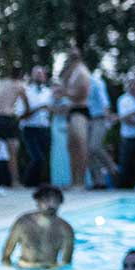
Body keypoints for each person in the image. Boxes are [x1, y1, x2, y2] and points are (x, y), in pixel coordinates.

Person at [1, 184, 75, 269]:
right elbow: (6, 255)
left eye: (55, 201)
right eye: (46, 200)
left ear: (60, 203)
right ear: (37, 202)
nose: (51, 204)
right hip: (24, 268)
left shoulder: (65, 229)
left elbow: (66, 261)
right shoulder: (23, 222)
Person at [58, 53, 93, 190]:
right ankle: (74, 181)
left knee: (80, 146)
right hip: (73, 111)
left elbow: (83, 92)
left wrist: (65, 93)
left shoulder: (82, 72)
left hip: (80, 111)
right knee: (72, 147)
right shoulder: (73, 72)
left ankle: (81, 182)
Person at [20, 65, 55, 187]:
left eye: (41, 73)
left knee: (44, 158)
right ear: (32, 76)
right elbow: (21, 115)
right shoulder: (26, 92)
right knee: (37, 157)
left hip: (45, 129)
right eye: (36, 73)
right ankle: (28, 182)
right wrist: (39, 108)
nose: (39, 75)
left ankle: (40, 183)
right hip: (30, 129)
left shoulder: (49, 93)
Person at [0, 70, 25, 189]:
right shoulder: (20, 85)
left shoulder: (3, 82)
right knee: (13, 153)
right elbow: (27, 105)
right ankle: (14, 181)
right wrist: (21, 116)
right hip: (9, 117)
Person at [86, 66, 113, 190]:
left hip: (99, 118)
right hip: (87, 120)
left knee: (94, 146)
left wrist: (108, 120)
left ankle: (112, 166)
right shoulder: (78, 85)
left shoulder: (96, 82)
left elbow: (105, 102)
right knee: (89, 152)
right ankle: (99, 182)